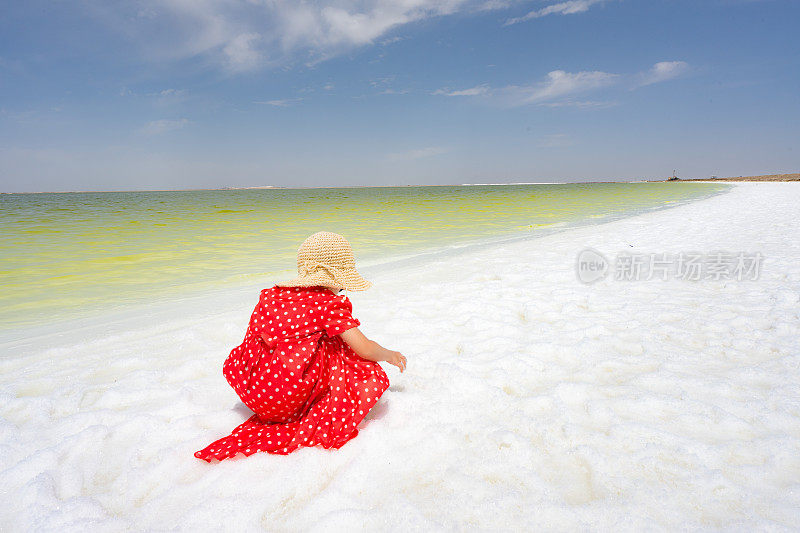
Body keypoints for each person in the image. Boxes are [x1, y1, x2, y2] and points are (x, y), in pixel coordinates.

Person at [194, 231, 406, 462]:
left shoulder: (271, 296)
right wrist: (388, 354)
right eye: (342, 286)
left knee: (315, 340)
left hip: (253, 389)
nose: (340, 291)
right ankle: (306, 403)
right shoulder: (328, 303)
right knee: (359, 364)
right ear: (336, 279)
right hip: (287, 401)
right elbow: (364, 348)